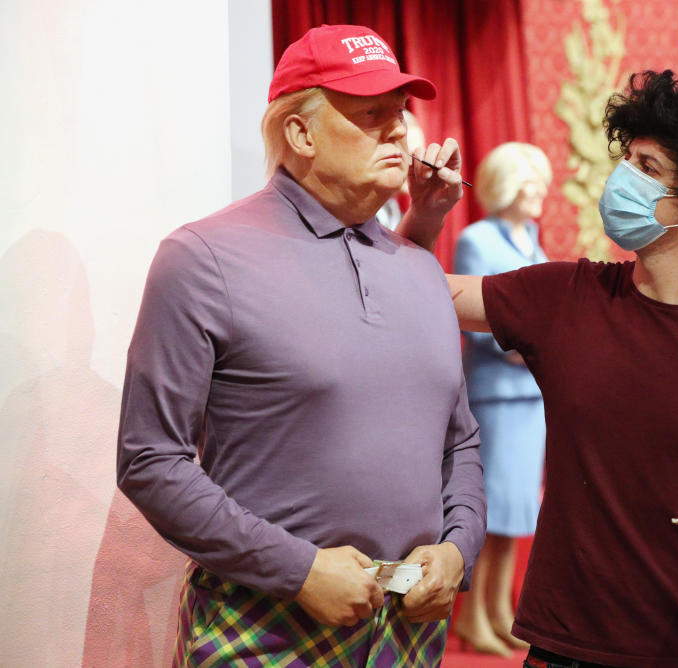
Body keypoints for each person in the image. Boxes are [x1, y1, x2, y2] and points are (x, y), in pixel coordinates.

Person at [399, 70, 678, 668]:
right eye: (627, 159)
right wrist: (428, 214)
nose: (623, 178)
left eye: (648, 168)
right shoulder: (566, 295)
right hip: (565, 643)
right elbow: (410, 295)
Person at [116, 24, 484, 667]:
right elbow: (151, 460)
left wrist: (458, 549)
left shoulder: (420, 266)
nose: (399, 131)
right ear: (301, 134)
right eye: (371, 115)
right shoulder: (203, 257)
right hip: (264, 625)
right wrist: (299, 569)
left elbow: (460, 442)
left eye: (399, 114)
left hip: (407, 637)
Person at [450, 143, 552, 656]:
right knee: (490, 515)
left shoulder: (532, 240)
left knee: (517, 514)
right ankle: (472, 615)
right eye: (529, 181)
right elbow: (472, 315)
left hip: (532, 398)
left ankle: (502, 611)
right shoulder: (476, 240)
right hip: (496, 397)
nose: (539, 191)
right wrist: (525, 345)